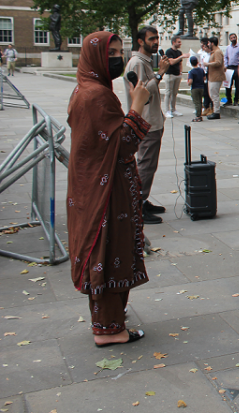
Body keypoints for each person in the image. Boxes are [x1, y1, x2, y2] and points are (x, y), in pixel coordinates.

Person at [68, 31, 151, 347]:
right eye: (110, 53)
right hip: (106, 194)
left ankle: (110, 319)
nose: (116, 58)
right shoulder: (98, 96)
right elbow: (124, 144)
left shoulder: (85, 90)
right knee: (109, 250)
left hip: (97, 187)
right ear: (95, 57)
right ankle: (109, 329)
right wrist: (137, 106)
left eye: (118, 51)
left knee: (105, 252)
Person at [124, 26, 171, 225]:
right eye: (152, 39)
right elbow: (141, 92)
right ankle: (138, 205)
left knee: (149, 165)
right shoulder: (137, 63)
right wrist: (160, 74)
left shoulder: (144, 62)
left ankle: (143, 200)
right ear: (140, 41)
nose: (156, 42)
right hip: (146, 122)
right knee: (145, 163)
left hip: (152, 120)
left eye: (157, 38)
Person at [163, 35, 187, 118]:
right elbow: (171, 62)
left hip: (177, 75)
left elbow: (180, 63)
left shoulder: (179, 52)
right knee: (168, 93)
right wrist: (181, 56)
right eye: (178, 42)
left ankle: (173, 109)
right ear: (173, 42)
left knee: (174, 93)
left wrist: (180, 72)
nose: (180, 43)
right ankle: (167, 110)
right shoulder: (169, 52)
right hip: (170, 74)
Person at [205, 36, 225, 120]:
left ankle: (216, 112)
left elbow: (218, 62)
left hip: (216, 76)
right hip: (212, 76)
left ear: (212, 43)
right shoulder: (213, 52)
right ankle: (214, 110)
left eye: (209, 43)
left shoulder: (217, 52)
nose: (208, 44)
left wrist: (208, 64)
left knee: (214, 94)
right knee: (212, 94)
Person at [224, 33, 239, 106]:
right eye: (231, 38)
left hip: (237, 67)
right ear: (230, 39)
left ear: (236, 37)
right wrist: (225, 65)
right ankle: (229, 100)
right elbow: (225, 57)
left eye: (234, 37)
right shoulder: (228, 47)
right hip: (229, 67)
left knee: (237, 85)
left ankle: (236, 100)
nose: (233, 39)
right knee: (228, 85)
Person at [197, 38, 213, 116]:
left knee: (211, 91)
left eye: (205, 47)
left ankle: (211, 108)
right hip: (204, 73)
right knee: (206, 92)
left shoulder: (211, 55)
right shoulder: (204, 54)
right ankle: (206, 107)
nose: (204, 48)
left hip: (210, 74)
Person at [187, 56, 205, 122]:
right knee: (200, 101)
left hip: (195, 88)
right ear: (197, 62)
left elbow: (191, 81)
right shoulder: (201, 70)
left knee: (196, 102)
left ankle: (198, 116)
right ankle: (200, 114)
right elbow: (204, 78)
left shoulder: (192, 72)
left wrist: (188, 83)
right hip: (201, 87)